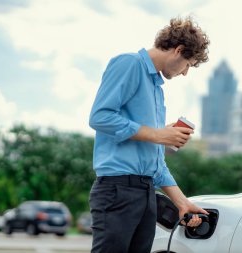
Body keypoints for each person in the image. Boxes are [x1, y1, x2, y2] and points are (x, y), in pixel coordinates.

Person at [88, 17, 210, 253]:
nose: (185, 73)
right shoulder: (129, 63)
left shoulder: (156, 89)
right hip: (117, 191)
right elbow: (100, 117)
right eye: (188, 64)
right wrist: (158, 134)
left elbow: (155, 161)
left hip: (145, 193)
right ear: (178, 50)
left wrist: (182, 202)